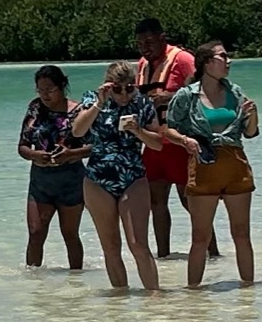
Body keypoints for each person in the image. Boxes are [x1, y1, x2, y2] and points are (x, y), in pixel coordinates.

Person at [163, 41, 261, 287]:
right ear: (207, 63)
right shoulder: (187, 95)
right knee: (200, 237)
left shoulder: (236, 92)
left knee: (241, 235)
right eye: (223, 57)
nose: (229, 61)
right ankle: (193, 294)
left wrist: (253, 115)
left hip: (235, 164)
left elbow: (250, 132)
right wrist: (185, 140)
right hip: (203, 166)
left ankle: (249, 294)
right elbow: (169, 129)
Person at [69, 61, 162, 294]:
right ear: (108, 86)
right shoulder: (93, 99)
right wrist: (100, 104)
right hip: (98, 178)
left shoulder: (142, 102)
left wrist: (138, 130)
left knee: (138, 244)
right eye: (118, 89)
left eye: (129, 88)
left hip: (133, 176)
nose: (124, 94)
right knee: (110, 246)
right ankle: (120, 304)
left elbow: (158, 144)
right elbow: (77, 131)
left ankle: (155, 300)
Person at [134, 16, 218, 260]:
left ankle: (211, 254)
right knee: (156, 202)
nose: (145, 48)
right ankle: (163, 257)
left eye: (149, 42)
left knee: (190, 201)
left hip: (182, 142)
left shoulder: (182, 59)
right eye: (140, 44)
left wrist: (169, 98)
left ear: (162, 38)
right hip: (154, 143)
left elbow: (206, 89)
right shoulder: (142, 64)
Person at [17, 64, 89, 271]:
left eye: (49, 90)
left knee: (70, 234)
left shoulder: (78, 112)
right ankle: (33, 285)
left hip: (71, 180)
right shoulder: (35, 108)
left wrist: (70, 155)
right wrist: (34, 155)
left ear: (62, 86)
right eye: (40, 90)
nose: (44, 95)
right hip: (41, 180)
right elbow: (22, 146)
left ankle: (76, 280)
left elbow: (94, 147)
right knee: (36, 233)